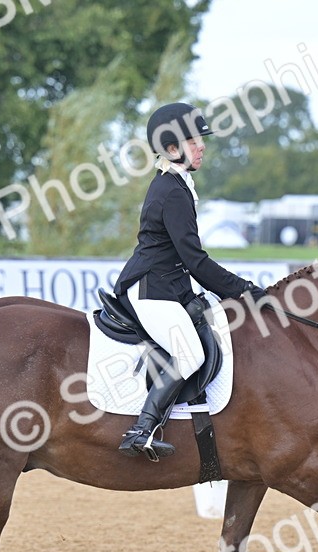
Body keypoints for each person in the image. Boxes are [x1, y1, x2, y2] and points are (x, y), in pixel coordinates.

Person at [114, 102, 267, 460]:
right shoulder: (170, 191)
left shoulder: (177, 185)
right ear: (171, 149)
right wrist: (244, 291)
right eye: (194, 140)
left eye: (200, 139)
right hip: (151, 292)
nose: (202, 145)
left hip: (168, 287)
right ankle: (141, 430)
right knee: (190, 353)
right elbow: (195, 261)